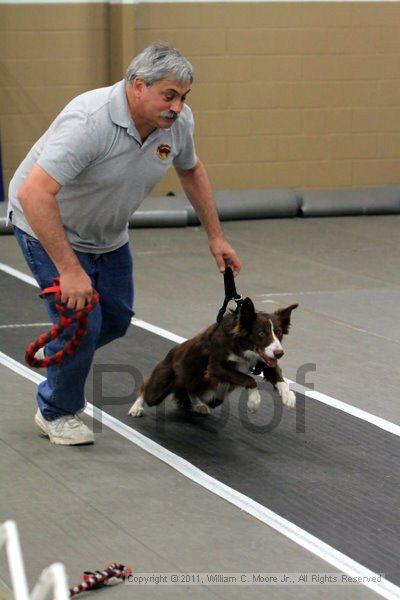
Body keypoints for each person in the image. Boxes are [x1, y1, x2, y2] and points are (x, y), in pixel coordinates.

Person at [7, 42, 241, 446]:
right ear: (137, 86)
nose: (177, 106)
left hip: (108, 234)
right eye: (168, 95)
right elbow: (34, 194)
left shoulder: (177, 124)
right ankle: (57, 411)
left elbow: (191, 169)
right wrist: (69, 270)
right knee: (84, 323)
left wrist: (216, 235)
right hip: (46, 225)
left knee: (115, 320)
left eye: (183, 97)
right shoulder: (89, 121)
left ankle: (67, 350)